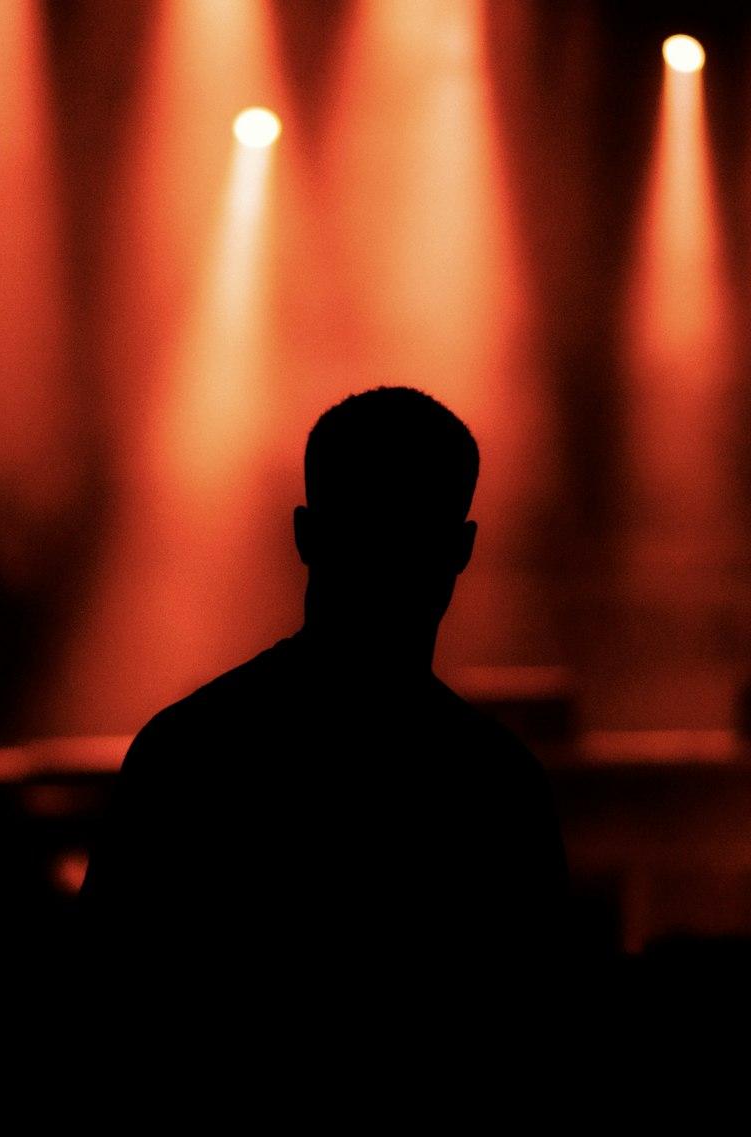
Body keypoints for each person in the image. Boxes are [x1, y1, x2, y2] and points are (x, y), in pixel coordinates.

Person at [78, 387, 571, 1093]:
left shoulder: (187, 751)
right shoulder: (498, 783)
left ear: (306, 534)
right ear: (461, 549)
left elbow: (108, 1018)